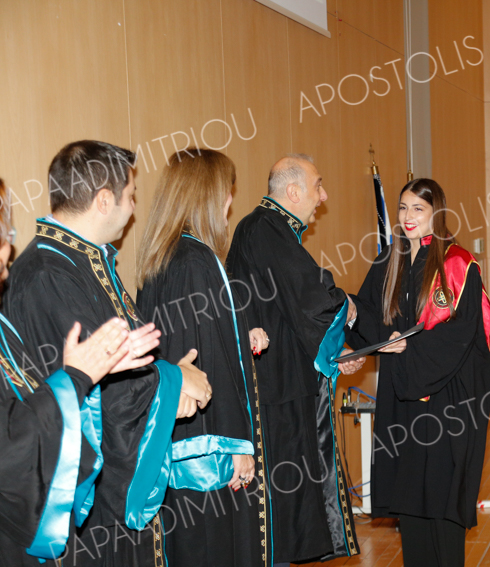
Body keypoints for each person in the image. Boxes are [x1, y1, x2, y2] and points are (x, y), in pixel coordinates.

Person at [4, 141, 211, 567]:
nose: (134, 210)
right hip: (87, 503)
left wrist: (172, 379)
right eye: (131, 196)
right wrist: (174, 382)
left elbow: (120, 360)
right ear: (103, 200)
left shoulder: (83, 260)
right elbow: (96, 380)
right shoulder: (47, 272)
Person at [0, 176, 161, 567]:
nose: (9, 246)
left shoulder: (85, 258)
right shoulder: (47, 270)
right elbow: (12, 445)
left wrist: (85, 373)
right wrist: (76, 378)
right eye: (4, 233)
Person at [345, 178, 490, 567]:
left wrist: (407, 348)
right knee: (410, 499)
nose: (407, 216)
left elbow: (461, 334)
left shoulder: (455, 263)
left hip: (446, 403)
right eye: (402, 208)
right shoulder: (389, 261)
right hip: (402, 400)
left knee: (442, 503)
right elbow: (369, 316)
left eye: (418, 209)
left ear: (435, 213)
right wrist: (354, 325)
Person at [135, 150, 271, 566]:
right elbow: (205, 361)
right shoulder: (196, 261)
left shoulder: (165, 258)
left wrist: (239, 334)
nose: (229, 203)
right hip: (205, 454)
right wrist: (236, 447)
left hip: (175, 444)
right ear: (207, 195)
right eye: (227, 191)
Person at [226, 154, 363, 564]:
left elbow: (296, 304)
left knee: (287, 503)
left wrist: (338, 348)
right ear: (293, 192)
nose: (324, 196)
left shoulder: (269, 229)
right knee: (280, 506)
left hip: (282, 383)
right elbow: (309, 297)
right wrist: (346, 307)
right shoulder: (265, 228)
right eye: (318, 186)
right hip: (276, 390)